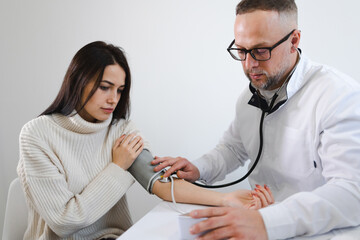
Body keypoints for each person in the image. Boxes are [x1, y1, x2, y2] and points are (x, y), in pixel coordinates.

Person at [16, 41, 273, 240]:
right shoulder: (37, 135)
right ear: (78, 81)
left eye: (120, 90)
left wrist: (225, 200)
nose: (113, 100)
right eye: (104, 87)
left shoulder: (121, 130)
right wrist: (117, 167)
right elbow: (64, 220)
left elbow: (161, 184)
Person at [152, 0, 360, 239]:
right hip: (258, 224)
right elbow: (232, 148)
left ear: (294, 41)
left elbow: (353, 192)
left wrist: (267, 222)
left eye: (260, 50)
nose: (249, 64)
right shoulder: (250, 96)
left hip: (317, 232)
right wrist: (199, 168)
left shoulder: (339, 96)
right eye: (241, 51)